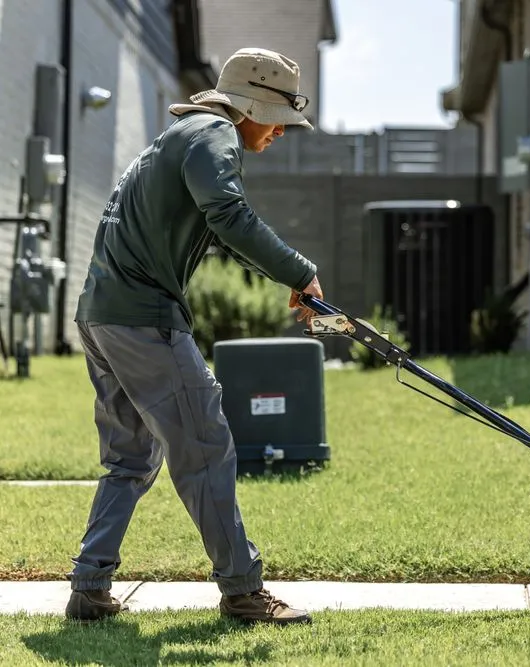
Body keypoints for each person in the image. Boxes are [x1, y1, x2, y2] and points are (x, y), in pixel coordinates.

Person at [65, 48, 323, 625]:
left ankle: (89, 586)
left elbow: (216, 225)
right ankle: (243, 591)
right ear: (248, 106)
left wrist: (290, 276)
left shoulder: (179, 136)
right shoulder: (214, 134)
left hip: (101, 315)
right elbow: (230, 217)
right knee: (205, 450)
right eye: (277, 115)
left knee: (129, 459)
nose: (280, 129)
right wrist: (301, 272)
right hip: (142, 319)